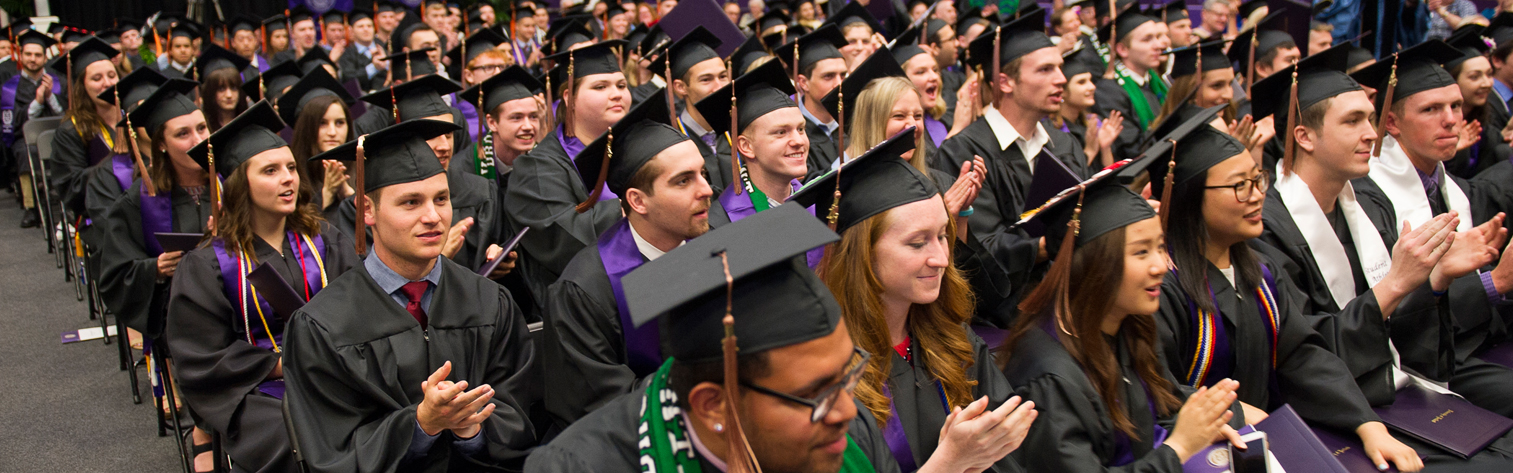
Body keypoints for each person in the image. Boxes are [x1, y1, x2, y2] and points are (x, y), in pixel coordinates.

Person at [526, 203, 916, 473]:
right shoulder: (584, 466)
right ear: (714, 406)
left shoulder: (848, 429)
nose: (847, 409)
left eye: (846, 374)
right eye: (815, 393)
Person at [1147, 106, 1426, 472]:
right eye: (1239, 186)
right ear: (1189, 197)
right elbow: (1156, 390)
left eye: (1257, 179)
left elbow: (1301, 357)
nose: (1257, 195)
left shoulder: (1261, 271)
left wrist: (1367, 426)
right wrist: (1234, 412)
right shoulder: (1160, 289)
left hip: (1270, 440)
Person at [284, 118, 539, 471]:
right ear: (367, 210)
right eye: (411, 202)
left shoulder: (489, 302)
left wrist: (472, 428)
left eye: (441, 199)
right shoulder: (323, 326)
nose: (433, 216)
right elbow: (331, 453)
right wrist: (420, 425)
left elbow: (521, 418)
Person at [792, 131, 1033, 473]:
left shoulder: (955, 339)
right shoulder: (823, 380)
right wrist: (949, 463)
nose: (942, 259)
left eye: (943, 236)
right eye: (918, 243)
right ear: (864, 254)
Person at [1001, 167, 1249, 472]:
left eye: (1160, 246)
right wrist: (1179, 447)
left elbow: (1159, 412)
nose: (1162, 265)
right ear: (1095, 263)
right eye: (1141, 252)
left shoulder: (1127, 326)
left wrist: (1207, 424)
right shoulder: (1050, 379)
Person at [166, 100, 360, 473]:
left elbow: (360, 309)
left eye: (291, 168)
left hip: (334, 371)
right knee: (300, 434)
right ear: (240, 184)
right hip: (255, 391)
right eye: (270, 170)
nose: (288, 178)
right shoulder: (207, 265)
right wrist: (281, 365)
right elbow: (202, 355)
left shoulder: (326, 240)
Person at [1349, 41, 1513, 418]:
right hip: (1422, 365)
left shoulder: (1447, 184)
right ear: (1392, 123)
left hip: (1471, 343)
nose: (1451, 119)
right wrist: (1495, 282)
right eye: (1431, 109)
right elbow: (1397, 319)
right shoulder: (1370, 202)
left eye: (1455, 106)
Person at [542, 92, 717, 428]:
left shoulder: (716, 249)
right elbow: (597, 407)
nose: (707, 190)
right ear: (637, 201)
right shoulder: (584, 290)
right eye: (684, 180)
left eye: (703, 174)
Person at [934, 13, 1091, 327]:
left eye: (1059, 67)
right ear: (1005, 82)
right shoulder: (963, 152)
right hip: (1004, 323)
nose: (1061, 78)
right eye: (1045, 69)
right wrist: (1048, 245)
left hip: (1073, 305)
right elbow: (978, 254)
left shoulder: (1065, 145)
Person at [503, 41, 628, 314]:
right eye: (600, 87)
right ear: (569, 97)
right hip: (585, 310)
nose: (616, 94)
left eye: (621, 85)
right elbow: (564, 241)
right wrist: (635, 206)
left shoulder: (632, 147)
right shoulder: (536, 169)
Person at [354, 74, 501, 270]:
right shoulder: (371, 203)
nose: (444, 146)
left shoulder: (481, 190)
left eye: (448, 134)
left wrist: (499, 259)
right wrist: (436, 260)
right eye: (431, 135)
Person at [48, 38, 121, 230]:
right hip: (101, 217)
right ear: (82, 86)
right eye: (97, 79)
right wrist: (119, 165)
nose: (107, 83)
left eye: (112, 75)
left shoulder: (133, 119)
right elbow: (71, 187)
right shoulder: (71, 131)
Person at [6, 30, 64, 229]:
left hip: (58, 134)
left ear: (45, 58)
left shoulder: (58, 81)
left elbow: (67, 114)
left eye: (38, 55)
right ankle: (32, 207)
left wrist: (49, 97)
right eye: (28, 54)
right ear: (20, 56)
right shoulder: (9, 88)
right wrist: (38, 101)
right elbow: (12, 122)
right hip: (25, 139)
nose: (33, 59)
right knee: (24, 152)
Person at [775, 25, 850, 176]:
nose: (839, 84)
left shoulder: (853, 122)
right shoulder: (792, 134)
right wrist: (853, 152)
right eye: (828, 76)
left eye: (843, 75)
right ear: (803, 83)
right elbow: (805, 185)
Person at [1093, 11, 1167, 162]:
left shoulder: (1158, 84)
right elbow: (1131, 150)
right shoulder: (1109, 92)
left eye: (1157, 37)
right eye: (1147, 39)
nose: (1159, 46)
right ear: (1122, 50)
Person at [280, 67, 357, 211]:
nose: (332, 132)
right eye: (322, 123)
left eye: (340, 122)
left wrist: (350, 195)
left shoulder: (363, 170)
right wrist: (326, 195)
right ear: (306, 127)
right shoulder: (289, 176)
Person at [1443, 24, 1512, 178]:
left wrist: (1504, 137)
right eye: (1475, 77)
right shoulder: (1440, 125)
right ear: (1453, 80)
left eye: (1489, 74)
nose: (1487, 83)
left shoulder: (1484, 123)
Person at [195, 45, 251, 132]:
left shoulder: (251, 122)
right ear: (210, 92)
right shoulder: (202, 127)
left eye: (233, 88)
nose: (229, 95)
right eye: (221, 89)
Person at [338, 8, 390, 94]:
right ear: (352, 31)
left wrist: (386, 64)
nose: (366, 29)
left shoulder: (386, 48)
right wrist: (374, 67)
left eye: (369, 26)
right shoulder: (346, 54)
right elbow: (349, 79)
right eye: (360, 26)